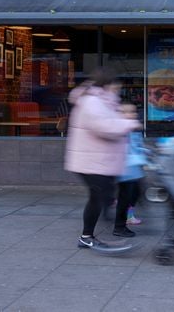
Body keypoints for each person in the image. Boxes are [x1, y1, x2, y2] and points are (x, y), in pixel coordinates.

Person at [64, 67, 142, 253]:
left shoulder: (102, 101)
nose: (118, 89)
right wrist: (130, 123)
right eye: (116, 86)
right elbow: (104, 127)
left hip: (97, 160)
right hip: (91, 161)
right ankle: (87, 237)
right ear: (107, 84)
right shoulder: (92, 101)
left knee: (101, 196)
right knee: (100, 197)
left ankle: (95, 233)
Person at [114, 129, 150, 235]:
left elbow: (136, 147)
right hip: (127, 168)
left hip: (132, 167)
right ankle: (124, 221)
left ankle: (127, 217)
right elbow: (130, 148)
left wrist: (144, 151)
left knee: (133, 193)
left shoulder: (134, 132)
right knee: (129, 195)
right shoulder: (126, 130)